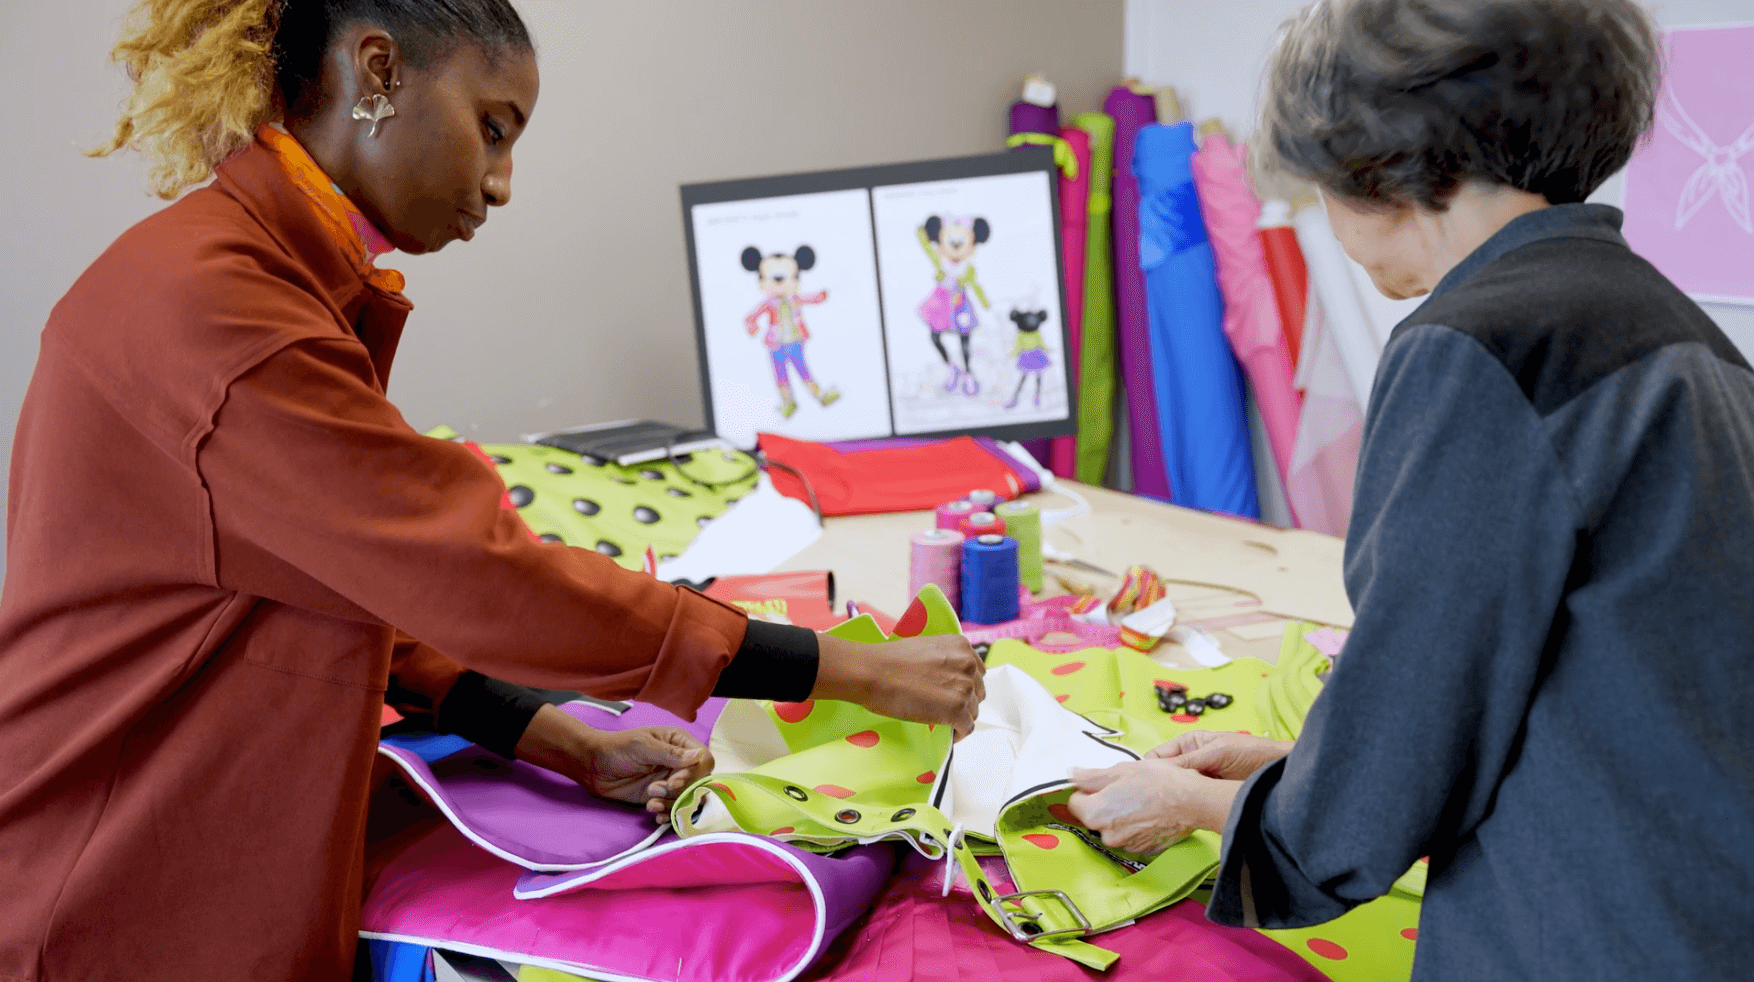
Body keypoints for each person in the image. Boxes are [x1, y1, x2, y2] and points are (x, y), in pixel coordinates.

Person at [0, 2, 985, 979]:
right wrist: (850, 669)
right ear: (377, 72)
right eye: (492, 129)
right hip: (115, 884)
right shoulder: (226, 315)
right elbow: (480, 576)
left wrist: (549, 736)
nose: (502, 183)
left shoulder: (244, 275)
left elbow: (344, 580)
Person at [1067, 2, 1754, 980]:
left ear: (1379, 162)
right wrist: (1294, 769)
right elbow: (1582, 678)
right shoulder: (1670, 328)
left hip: (1597, 926)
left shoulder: (1479, 347)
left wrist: (1209, 809)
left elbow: (1396, 744)